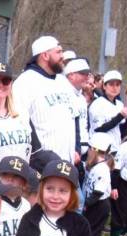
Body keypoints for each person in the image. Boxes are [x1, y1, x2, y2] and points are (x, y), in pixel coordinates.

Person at [12, 35, 78, 164]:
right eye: (58, 52)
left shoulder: (63, 81)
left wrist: (77, 149)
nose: (62, 56)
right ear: (45, 55)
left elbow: (74, 116)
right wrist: (38, 155)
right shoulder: (25, 82)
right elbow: (20, 122)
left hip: (67, 163)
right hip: (41, 165)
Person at [82, 132, 114, 236]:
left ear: (93, 150)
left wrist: (86, 205)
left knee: (93, 232)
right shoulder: (94, 165)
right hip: (93, 203)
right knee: (88, 230)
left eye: (90, 148)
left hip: (99, 205)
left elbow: (98, 192)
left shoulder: (102, 169)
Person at [88, 70, 127, 154]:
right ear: (104, 86)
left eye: (117, 85)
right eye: (111, 84)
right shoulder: (97, 104)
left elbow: (121, 128)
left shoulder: (119, 104)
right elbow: (99, 129)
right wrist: (120, 116)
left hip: (115, 148)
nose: (114, 88)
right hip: (99, 149)